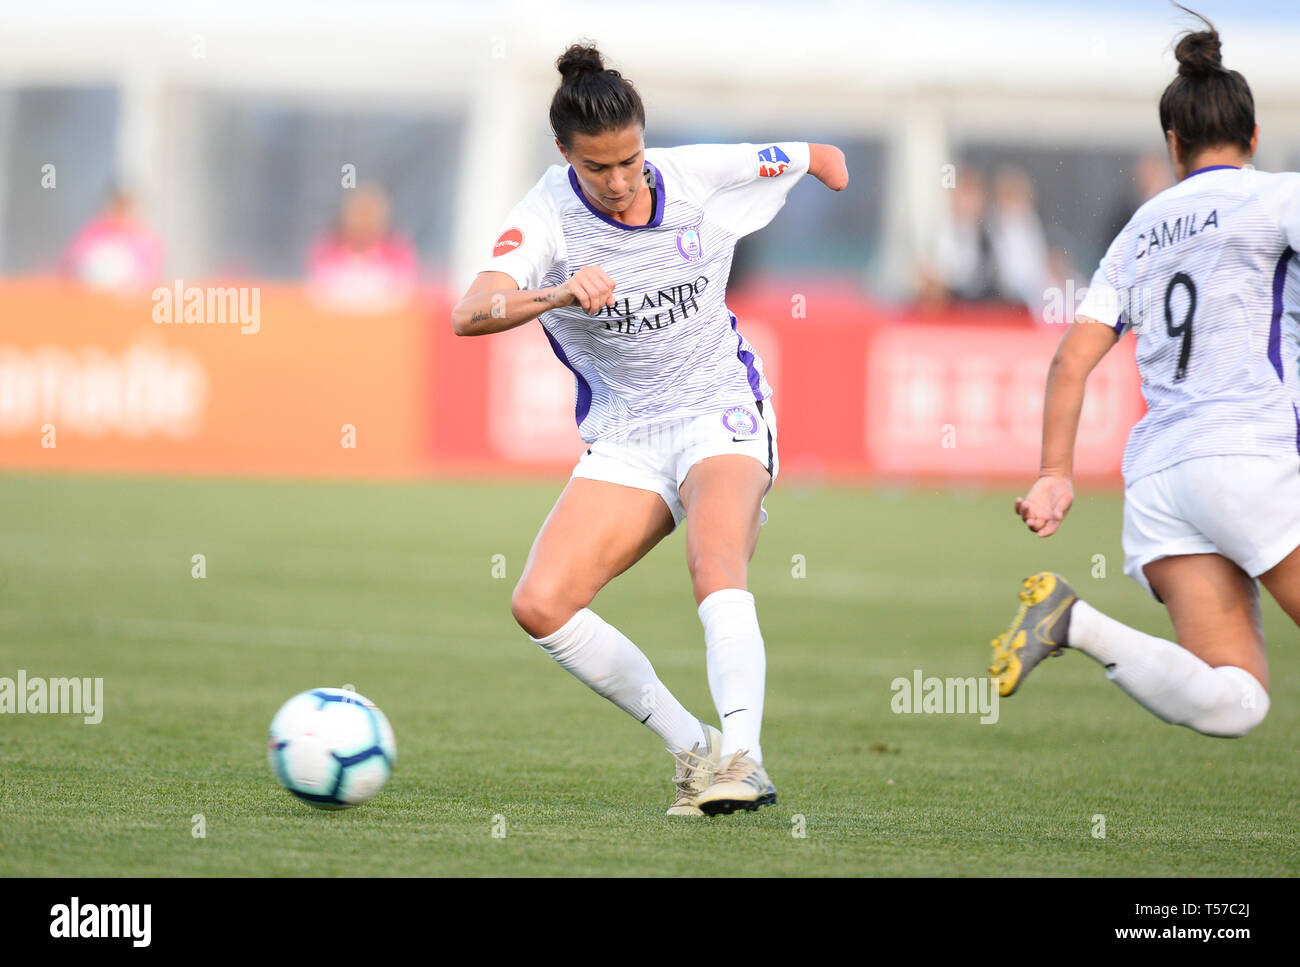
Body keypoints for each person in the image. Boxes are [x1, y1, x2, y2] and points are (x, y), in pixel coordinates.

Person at [450, 42, 848, 815]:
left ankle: (745, 757)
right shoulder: (545, 217)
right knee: (541, 603)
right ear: (564, 154)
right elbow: (470, 312)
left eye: (632, 159)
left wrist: (828, 165)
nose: (623, 181)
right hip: (629, 434)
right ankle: (693, 749)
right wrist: (558, 292)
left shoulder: (697, 174)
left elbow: (814, 155)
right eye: (599, 168)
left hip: (721, 410)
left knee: (714, 559)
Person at [989, 9, 1300, 739]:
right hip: (1249, 454)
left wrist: (1054, 472)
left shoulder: (1140, 229)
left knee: (1236, 700)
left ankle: (1076, 623)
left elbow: (1071, 359)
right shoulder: (1277, 195)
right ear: (1254, 137)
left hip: (1162, 482)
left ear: (1172, 145)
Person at [308, 184, 418, 312]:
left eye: (369, 215)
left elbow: (404, 296)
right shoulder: (327, 250)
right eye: (359, 214)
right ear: (346, 216)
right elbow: (317, 295)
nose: (363, 222)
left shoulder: (398, 253)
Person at [62, 188, 164, 293]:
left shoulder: (143, 240)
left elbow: (150, 277)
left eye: (126, 209)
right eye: (118, 208)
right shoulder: (94, 232)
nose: (121, 215)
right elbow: (71, 262)